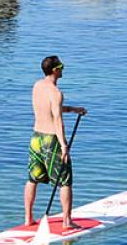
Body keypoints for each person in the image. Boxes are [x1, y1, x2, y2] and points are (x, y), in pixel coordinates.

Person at [24, 56, 87, 229]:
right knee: (65, 181)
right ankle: (67, 221)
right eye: (61, 66)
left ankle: (28, 218)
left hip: (36, 138)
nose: (63, 69)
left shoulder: (37, 86)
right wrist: (64, 146)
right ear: (55, 70)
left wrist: (73, 109)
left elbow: (48, 110)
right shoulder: (56, 93)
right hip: (52, 140)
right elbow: (57, 121)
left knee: (32, 179)